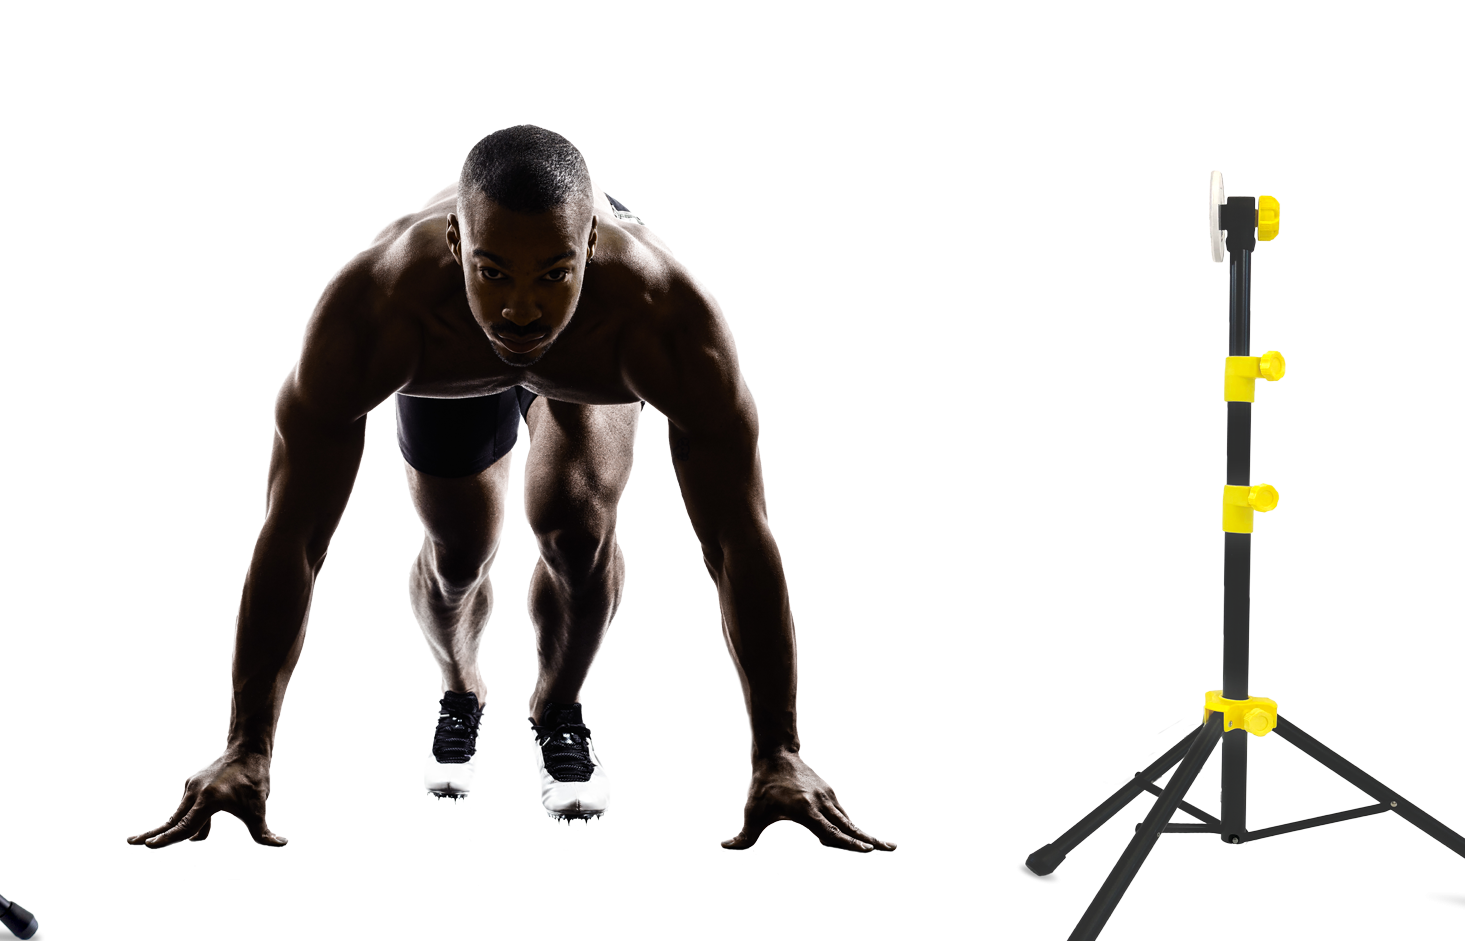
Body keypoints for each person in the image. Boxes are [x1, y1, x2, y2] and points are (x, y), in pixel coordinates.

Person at [129, 125, 893, 853]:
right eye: (493, 273)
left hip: (592, 359)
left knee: (574, 530)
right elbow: (293, 535)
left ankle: (558, 707)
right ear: (458, 242)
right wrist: (246, 746)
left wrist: (778, 751)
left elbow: (737, 539)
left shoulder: (659, 318)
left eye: (553, 275)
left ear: (591, 245)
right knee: (460, 550)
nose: (520, 310)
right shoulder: (383, 310)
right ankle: (461, 688)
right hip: (446, 362)